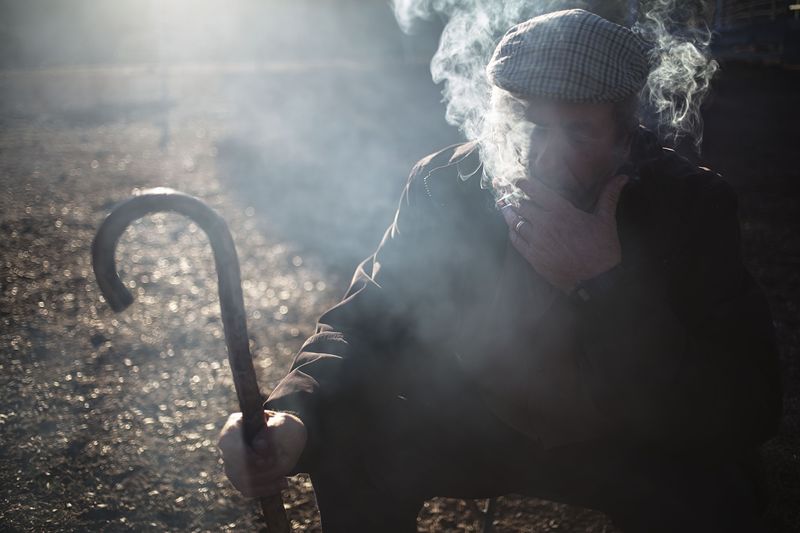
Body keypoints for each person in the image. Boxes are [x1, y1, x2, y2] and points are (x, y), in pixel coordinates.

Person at [217, 9, 782, 532]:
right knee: (346, 441)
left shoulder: (687, 204)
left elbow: (746, 404)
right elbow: (369, 318)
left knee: (715, 489)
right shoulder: (449, 183)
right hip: (480, 421)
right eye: (527, 122)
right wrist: (292, 416)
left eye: (579, 131)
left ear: (624, 133)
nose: (543, 156)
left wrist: (601, 282)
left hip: (627, 439)